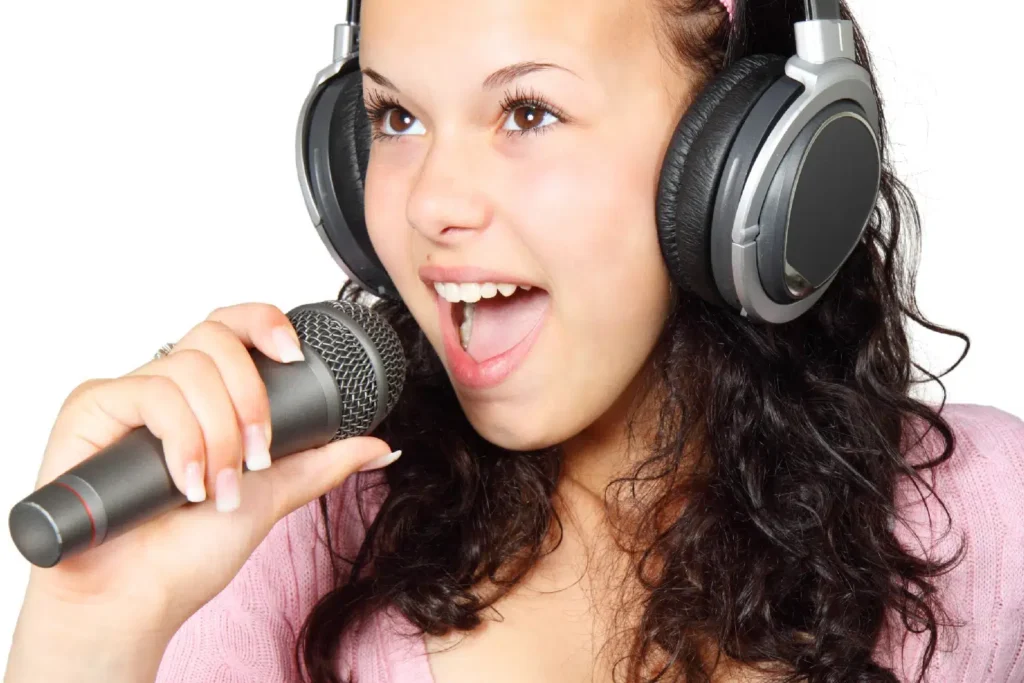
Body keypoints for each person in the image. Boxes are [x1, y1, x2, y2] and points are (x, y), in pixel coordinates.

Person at [6, 0, 1024, 681]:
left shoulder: (989, 514)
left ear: (750, 162)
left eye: (528, 111)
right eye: (395, 117)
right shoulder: (270, 537)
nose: (433, 203)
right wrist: (95, 629)